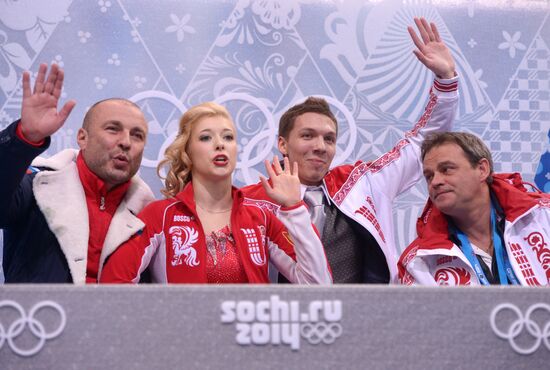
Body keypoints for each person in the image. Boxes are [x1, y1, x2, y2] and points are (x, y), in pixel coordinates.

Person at [242, 17, 459, 283]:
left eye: (329, 138)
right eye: (307, 136)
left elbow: (420, 142)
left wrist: (446, 80)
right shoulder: (250, 202)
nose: (320, 147)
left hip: (369, 318)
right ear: (282, 143)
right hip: (284, 318)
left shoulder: (362, 182)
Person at [100, 102, 332, 284]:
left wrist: (294, 209)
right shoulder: (159, 216)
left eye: (228, 137)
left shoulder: (260, 217)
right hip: (185, 343)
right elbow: (115, 288)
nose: (220, 144)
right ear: (187, 152)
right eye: (206, 137)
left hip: (253, 342)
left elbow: (319, 286)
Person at [0, 63, 154, 284]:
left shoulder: (150, 213)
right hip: (40, 317)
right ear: (82, 138)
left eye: (137, 135)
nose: (126, 142)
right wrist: (24, 139)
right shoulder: (37, 184)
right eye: (113, 129)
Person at [398, 132, 550, 286]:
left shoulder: (544, 216)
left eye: (446, 169)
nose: (435, 182)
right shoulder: (418, 261)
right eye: (429, 176)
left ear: (482, 169)